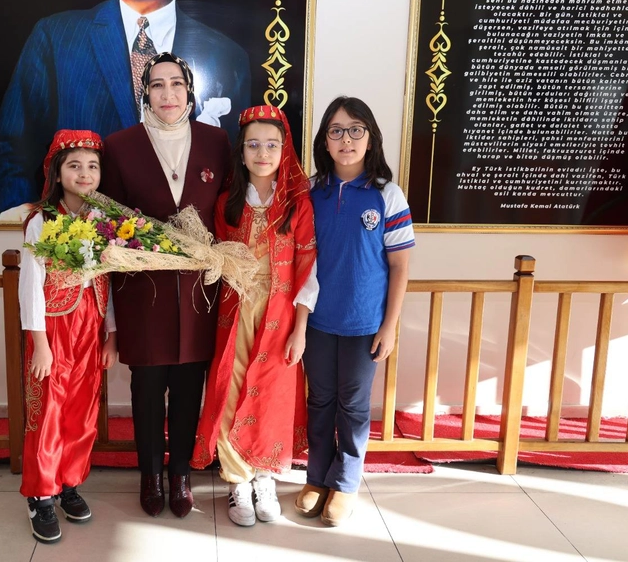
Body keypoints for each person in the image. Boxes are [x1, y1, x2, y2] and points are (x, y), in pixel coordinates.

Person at [0, 0, 250, 221]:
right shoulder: (57, 37)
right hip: (82, 238)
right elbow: (11, 144)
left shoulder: (226, 55)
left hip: (188, 243)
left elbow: (233, 170)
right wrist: (21, 220)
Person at [99, 52, 231, 518]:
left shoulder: (217, 142)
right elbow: (108, 223)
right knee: (148, 389)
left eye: (176, 83)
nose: (168, 93)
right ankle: (151, 474)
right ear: (145, 93)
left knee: (189, 386)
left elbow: (227, 214)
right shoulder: (120, 146)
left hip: (199, 293)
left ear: (189, 90)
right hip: (143, 293)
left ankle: (181, 475)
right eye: (157, 85)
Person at [190, 105, 317, 527]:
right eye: (253, 145)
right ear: (241, 152)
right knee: (231, 389)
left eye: (272, 145)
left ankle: (264, 477)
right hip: (235, 310)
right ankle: (237, 481)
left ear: (285, 150)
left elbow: (308, 269)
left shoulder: (297, 205)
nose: (263, 153)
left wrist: (300, 329)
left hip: (280, 314)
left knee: (273, 392)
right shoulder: (226, 204)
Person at [295, 97, 414, 527]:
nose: (346, 140)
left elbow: (400, 266)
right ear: (324, 141)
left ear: (370, 137)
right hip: (317, 321)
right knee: (320, 400)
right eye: (336, 131)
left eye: (355, 130)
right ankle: (316, 478)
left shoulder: (387, 194)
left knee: (354, 406)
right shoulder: (310, 193)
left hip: (365, 324)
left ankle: (345, 483)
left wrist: (390, 326)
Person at [18, 129, 118, 543]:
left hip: (90, 326)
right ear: (57, 173)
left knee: (81, 411)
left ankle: (68, 482)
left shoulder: (104, 220)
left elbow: (108, 279)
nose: (84, 173)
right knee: (48, 412)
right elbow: (30, 284)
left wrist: (111, 335)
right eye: (74, 166)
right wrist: (39, 344)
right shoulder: (41, 220)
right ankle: (41, 494)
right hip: (54, 327)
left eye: (92, 166)